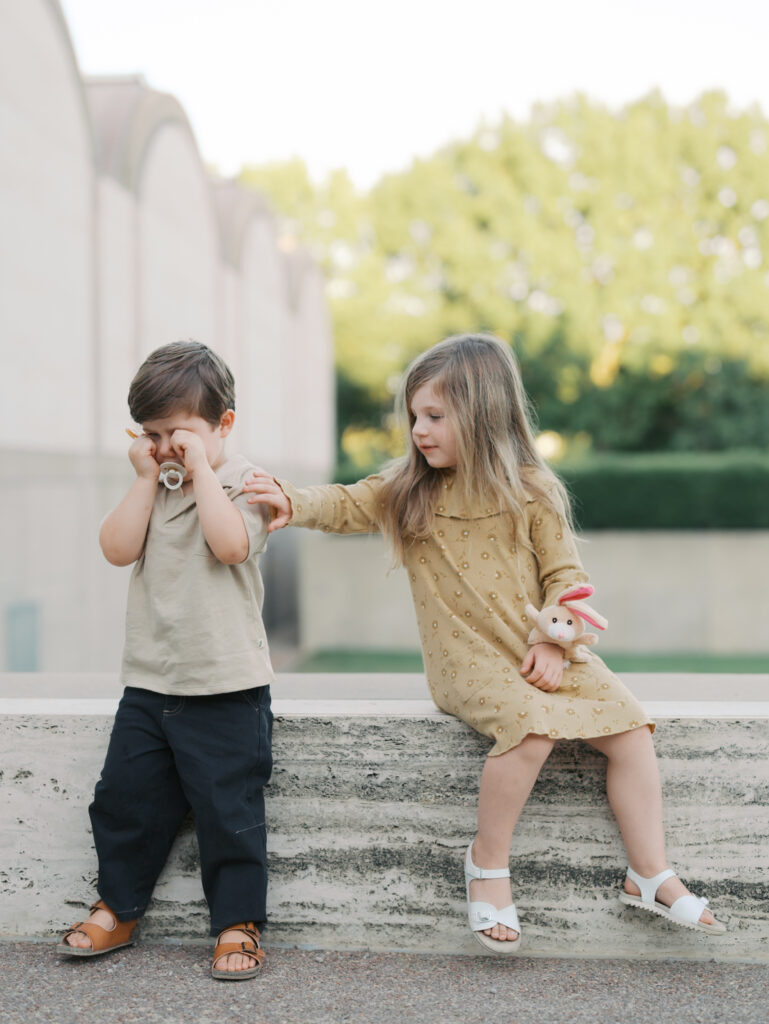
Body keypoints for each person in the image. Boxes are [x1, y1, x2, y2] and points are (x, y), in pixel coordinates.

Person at [244, 332, 725, 954]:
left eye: (435, 416)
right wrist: (288, 500)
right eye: (415, 416)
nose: (419, 430)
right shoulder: (411, 489)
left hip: (541, 650)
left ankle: (648, 871)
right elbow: (343, 502)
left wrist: (555, 644)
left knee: (631, 727)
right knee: (531, 726)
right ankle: (487, 863)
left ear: (484, 413)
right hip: (465, 661)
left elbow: (567, 579)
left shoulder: (531, 490)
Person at [57, 340, 274, 979]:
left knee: (228, 813)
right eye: (149, 434)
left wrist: (204, 471)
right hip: (150, 682)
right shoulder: (153, 483)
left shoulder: (246, 483)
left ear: (223, 425)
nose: (165, 447)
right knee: (122, 801)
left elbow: (231, 545)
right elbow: (116, 549)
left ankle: (238, 923)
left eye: (178, 433)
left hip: (226, 683)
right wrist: (146, 477)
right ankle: (118, 906)